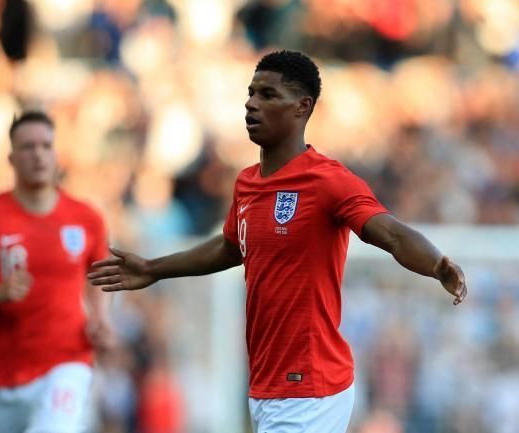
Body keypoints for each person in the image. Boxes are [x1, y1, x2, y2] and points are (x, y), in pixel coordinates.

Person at [88, 50, 467, 433]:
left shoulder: (327, 181)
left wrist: (436, 264)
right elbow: (230, 248)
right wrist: (154, 269)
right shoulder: (247, 183)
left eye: (268, 95)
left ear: (302, 107)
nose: (252, 103)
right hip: (267, 383)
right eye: (251, 93)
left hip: (309, 383)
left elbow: (391, 233)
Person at [0, 111, 113, 433]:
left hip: (69, 360)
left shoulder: (86, 218)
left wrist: (100, 318)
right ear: (11, 157)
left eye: (45, 145)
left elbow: (98, 278)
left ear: (56, 154)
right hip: (4, 375)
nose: (38, 154)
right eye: (27, 147)